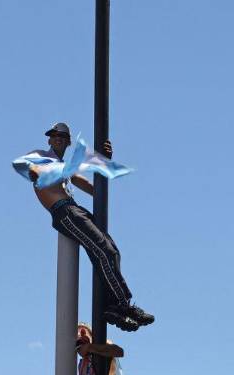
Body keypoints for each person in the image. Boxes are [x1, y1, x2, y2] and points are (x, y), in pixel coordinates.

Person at [23, 122, 154, 332]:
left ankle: (112, 306)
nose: (58, 138)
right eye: (54, 135)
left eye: (62, 136)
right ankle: (122, 305)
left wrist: (104, 165)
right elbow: (33, 169)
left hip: (75, 208)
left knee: (111, 252)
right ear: (49, 140)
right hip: (63, 210)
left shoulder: (65, 167)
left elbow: (90, 186)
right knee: (103, 250)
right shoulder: (41, 156)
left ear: (68, 142)